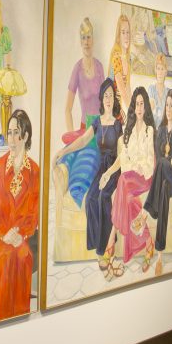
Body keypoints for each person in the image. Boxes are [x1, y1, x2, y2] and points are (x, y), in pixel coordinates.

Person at [53, 79, 122, 280]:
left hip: (113, 168)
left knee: (103, 198)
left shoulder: (119, 124)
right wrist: (63, 151)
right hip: (101, 167)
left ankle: (106, 249)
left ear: (114, 99)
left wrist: (110, 173)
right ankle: (98, 247)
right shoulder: (97, 122)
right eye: (106, 95)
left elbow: (121, 153)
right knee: (91, 198)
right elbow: (82, 141)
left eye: (111, 95)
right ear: (102, 99)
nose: (108, 99)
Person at [0, 109, 40, 321]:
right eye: (9, 132)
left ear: (25, 137)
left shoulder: (34, 171)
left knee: (23, 256)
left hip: (19, 237)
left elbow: (33, 215)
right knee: (7, 257)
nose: (12, 139)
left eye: (17, 133)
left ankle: (19, 319)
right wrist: (3, 233)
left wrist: (21, 235)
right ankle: (2, 322)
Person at [101, 87, 155, 272]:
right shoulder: (128, 131)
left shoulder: (150, 130)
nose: (139, 108)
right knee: (128, 197)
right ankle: (149, 243)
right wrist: (110, 172)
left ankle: (111, 242)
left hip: (145, 178)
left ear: (146, 107)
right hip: (131, 177)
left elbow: (149, 161)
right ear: (133, 107)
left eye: (142, 104)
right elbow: (124, 159)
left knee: (123, 182)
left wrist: (139, 166)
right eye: (136, 104)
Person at [53, 17, 104, 208]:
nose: (86, 42)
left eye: (89, 37)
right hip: (83, 128)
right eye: (83, 37)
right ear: (79, 40)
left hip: (98, 131)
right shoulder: (77, 69)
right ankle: (62, 177)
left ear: (94, 39)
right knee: (70, 154)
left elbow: (107, 101)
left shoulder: (99, 67)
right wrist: (73, 135)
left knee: (86, 159)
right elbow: (67, 109)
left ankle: (77, 190)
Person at [141, 88, 172, 268]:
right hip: (164, 181)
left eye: (171, 105)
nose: (168, 109)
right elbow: (159, 158)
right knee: (163, 185)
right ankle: (159, 255)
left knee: (165, 166)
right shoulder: (160, 130)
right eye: (166, 105)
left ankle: (146, 211)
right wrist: (170, 160)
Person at [107, 14, 132, 113]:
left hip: (118, 107)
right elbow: (121, 89)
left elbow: (128, 88)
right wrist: (132, 113)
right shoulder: (116, 56)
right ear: (118, 36)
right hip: (110, 107)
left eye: (128, 32)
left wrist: (133, 108)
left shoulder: (127, 58)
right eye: (123, 32)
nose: (126, 36)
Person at [147, 53, 169, 127]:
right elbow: (149, 109)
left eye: (162, 69)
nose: (160, 72)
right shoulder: (151, 89)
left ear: (165, 71)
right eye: (158, 68)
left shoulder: (168, 92)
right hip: (152, 129)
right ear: (155, 70)